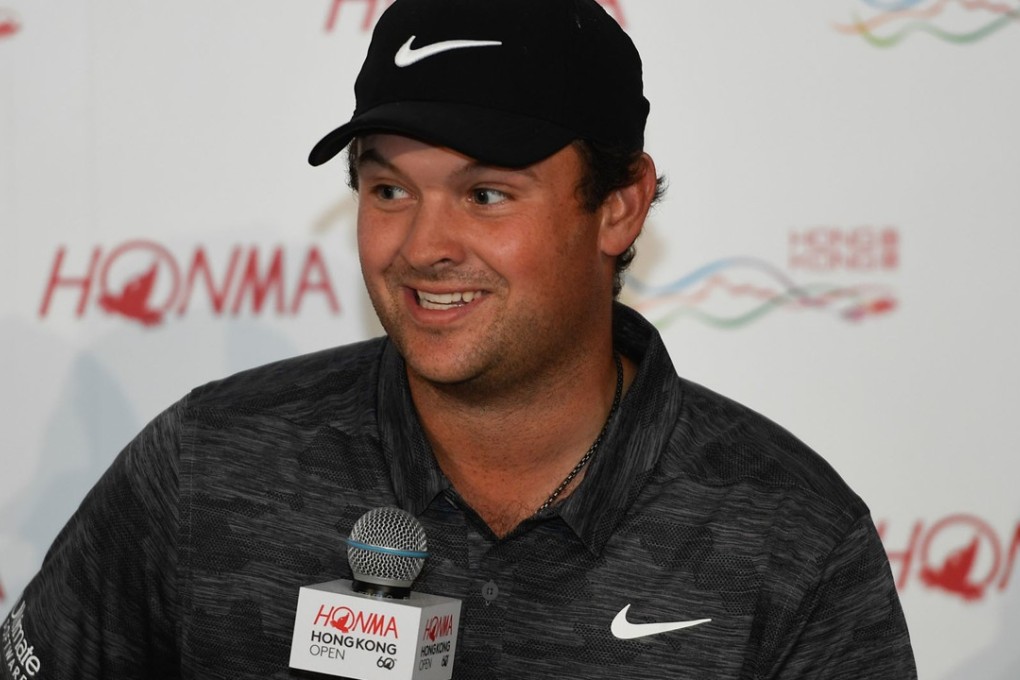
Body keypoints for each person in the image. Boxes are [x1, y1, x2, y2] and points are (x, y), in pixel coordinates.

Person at [1, 0, 916, 678]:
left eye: (486, 194)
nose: (422, 248)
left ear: (620, 206)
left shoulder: (789, 538)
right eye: (388, 189)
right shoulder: (209, 464)